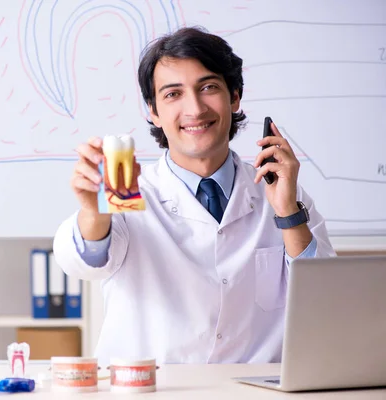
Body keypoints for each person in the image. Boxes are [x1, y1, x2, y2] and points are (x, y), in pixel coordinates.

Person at [52, 26, 336, 364]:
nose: (195, 109)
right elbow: (84, 264)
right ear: (153, 111)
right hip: (150, 387)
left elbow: (322, 299)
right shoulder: (126, 193)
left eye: (209, 87)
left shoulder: (280, 191)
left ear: (234, 96)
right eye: (173, 94)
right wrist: (93, 213)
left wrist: (288, 212)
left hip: (251, 390)